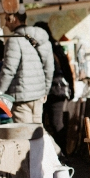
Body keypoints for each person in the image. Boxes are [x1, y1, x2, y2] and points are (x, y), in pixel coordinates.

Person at [0, 5, 53, 124]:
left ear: (15, 19)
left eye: (7, 19)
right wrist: (45, 91)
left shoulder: (14, 40)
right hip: (39, 95)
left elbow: (9, 69)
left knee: (25, 136)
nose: (5, 24)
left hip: (21, 97)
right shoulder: (41, 38)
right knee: (38, 134)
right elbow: (49, 68)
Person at [34, 22, 76, 151]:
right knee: (55, 122)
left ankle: (60, 153)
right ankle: (61, 152)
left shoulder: (43, 48)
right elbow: (67, 69)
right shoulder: (56, 46)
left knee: (52, 122)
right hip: (59, 89)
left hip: (50, 89)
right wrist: (71, 87)